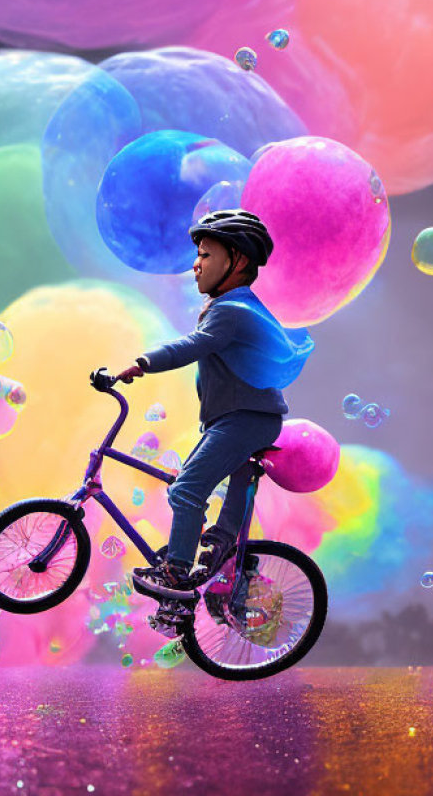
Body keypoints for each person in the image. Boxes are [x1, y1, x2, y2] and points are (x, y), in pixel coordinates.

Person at [111, 209, 313, 603]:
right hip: (242, 419)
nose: (196, 264)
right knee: (208, 480)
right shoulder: (241, 307)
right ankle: (222, 550)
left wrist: (143, 363)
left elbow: (192, 346)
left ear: (237, 261)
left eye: (205, 254)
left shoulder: (231, 311)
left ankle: (176, 574)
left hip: (244, 421)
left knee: (186, 489)